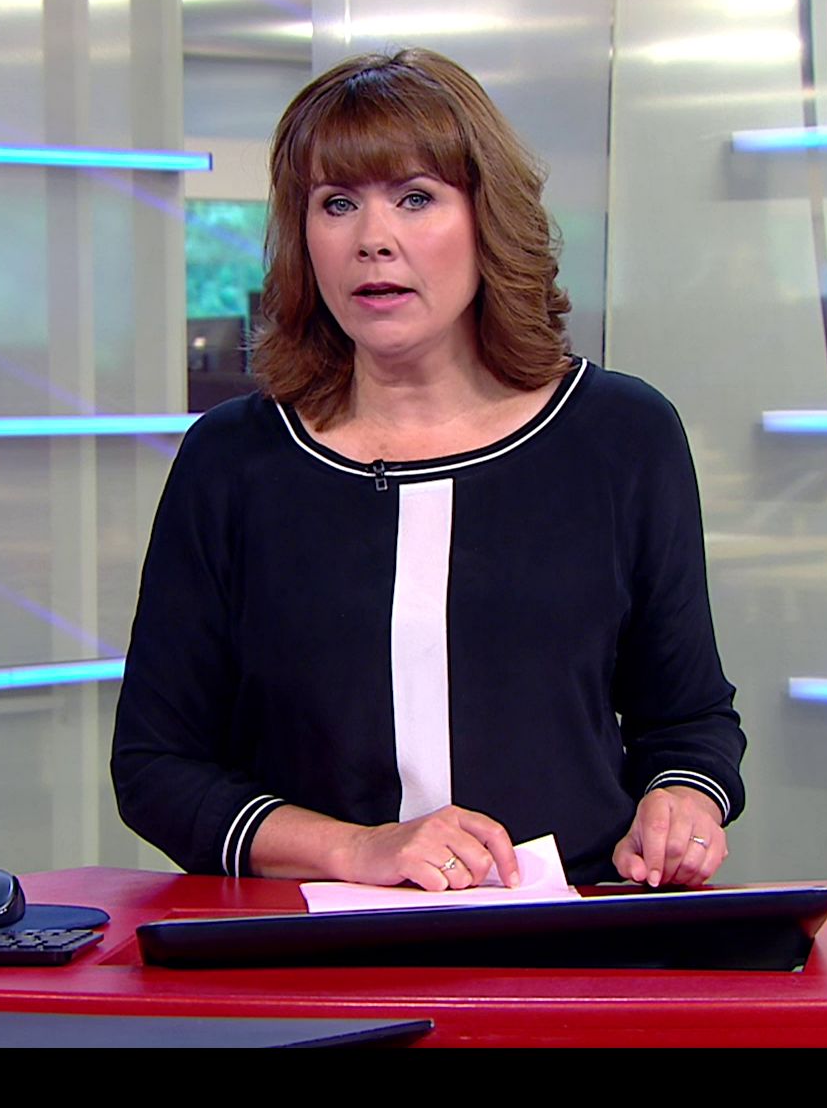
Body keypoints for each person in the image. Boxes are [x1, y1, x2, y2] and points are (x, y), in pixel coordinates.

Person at [111, 48, 744, 890]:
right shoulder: (233, 460)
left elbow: (688, 718)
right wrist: (356, 849)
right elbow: (157, 768)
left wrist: (682, 800)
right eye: (337, 204)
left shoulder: (622, 435)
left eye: (416, 198)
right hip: (312, 941)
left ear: (488, 219)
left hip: (571, 928)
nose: (373, 240)